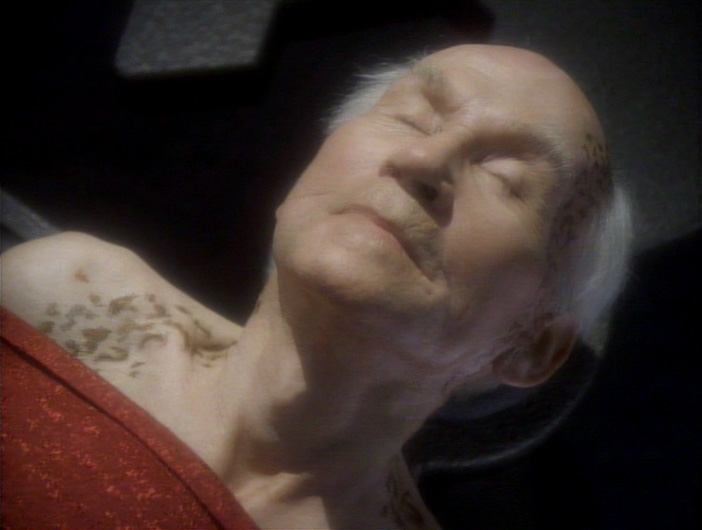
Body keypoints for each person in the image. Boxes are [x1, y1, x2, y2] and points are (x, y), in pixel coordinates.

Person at [1, 44, 632, 529]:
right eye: (412, 118)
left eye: (507, 179)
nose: (422, 160)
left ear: (532, 346)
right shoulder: (57, 296)